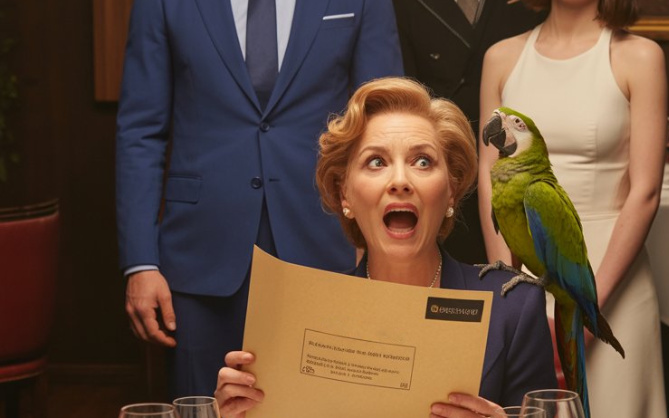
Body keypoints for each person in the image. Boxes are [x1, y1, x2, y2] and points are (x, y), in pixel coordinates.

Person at [214, 77, 556, 418]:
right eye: (376, 162)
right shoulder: (297, 320)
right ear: (345, 194)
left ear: (451, 190)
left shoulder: (514, 308)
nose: (400, 181)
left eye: (422, 162)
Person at [116, 0, 403, 397]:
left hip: (325, 243)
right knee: (203, 406)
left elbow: (387, 125)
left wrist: (382, 252)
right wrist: (141, 263)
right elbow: (140, 132)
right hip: (200, 254)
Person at [478, 0, 668, 417]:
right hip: (524, 278)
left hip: (612, 275)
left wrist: (589, 309)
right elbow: (488, 176)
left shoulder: (640, 56)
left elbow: (646, 192)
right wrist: (511, 300)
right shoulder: (500, 57)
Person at [392, 0, 544, 264]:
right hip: (438, 172)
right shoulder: (401, 8)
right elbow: (401, 101)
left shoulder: (530, 9)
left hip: (517, 177)